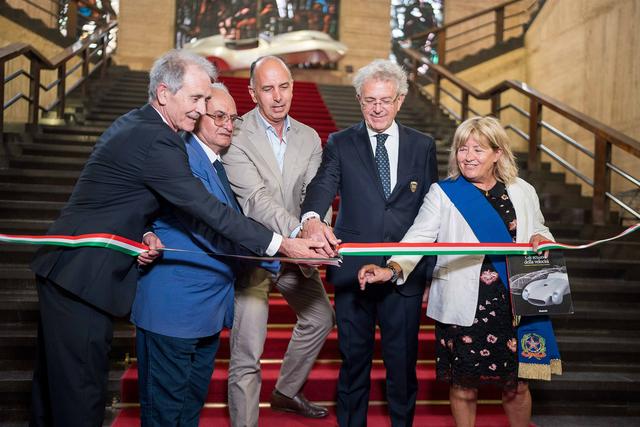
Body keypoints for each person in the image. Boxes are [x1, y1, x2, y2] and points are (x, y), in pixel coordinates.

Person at [28, 49, 323, 427]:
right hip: (83, 274)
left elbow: (121, 199)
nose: (201, 109)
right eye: (196, 98)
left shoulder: (140, 126)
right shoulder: (158, 140)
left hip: (74, 271)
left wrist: (144, 231)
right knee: (79, 399)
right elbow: (206, 210)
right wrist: (283, 243)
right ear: (164, 93)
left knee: (51, 394)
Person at [358, 116, 561, 427]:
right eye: (462, 149)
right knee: (464, 385)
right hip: (464, 302)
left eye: (478, 149)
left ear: (498, 153)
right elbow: (418, 238)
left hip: (514, 302)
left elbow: (540, 229)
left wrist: (541, 238)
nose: (468, 156)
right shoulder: (444, 193)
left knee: (518, 385)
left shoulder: (523, 190)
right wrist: (391, 269)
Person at [300, 59, 439, 427]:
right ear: (359, 100)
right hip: (353, 274)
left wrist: (428, 268)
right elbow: (323, 184)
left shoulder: (423, 145)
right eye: (369, 100)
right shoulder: (340, 142)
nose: (377, 108)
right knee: (353, 363)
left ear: (400, 101)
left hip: (404, 273)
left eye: (385, 100)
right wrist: (311, 217)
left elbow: (432, 208)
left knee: (402, 366)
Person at [130, 83, 256, 426]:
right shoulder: (182, 156)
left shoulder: (217, 163)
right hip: (173, 309)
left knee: (188, 409)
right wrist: (280, 251)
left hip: (207, 312)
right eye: (219, 116)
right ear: (198, 115)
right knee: (164, 413)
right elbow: (211, 227)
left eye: (233, 118)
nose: (228, 125)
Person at [223, 55, 335, 425]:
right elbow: (255, 200)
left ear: (292, 87)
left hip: (295, 255)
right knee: (247, 353)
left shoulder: (309, 136)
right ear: (252, 92)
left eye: (283, 87)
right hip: (255, 253)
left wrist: (318, 227)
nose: (277, 96)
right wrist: (302, 232)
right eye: (267, 88)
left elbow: (315, 194)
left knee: (320, 318)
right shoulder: (236, 134)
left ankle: (286, 391)